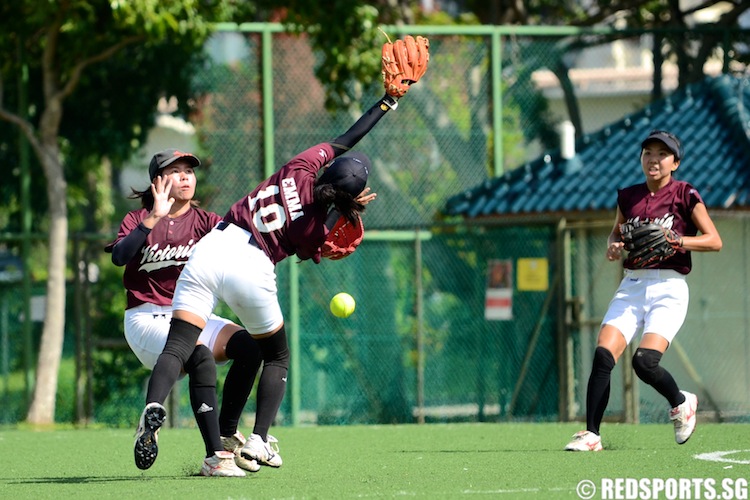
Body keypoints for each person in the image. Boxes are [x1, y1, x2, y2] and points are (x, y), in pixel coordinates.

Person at [133, 85, 399, 473]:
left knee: (178, 344)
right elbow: (317, 246)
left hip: (214, 244)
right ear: (352, 195)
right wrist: (349, 212)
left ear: (327, 168)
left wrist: (386, 103)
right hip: (252, 266)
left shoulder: (301, 167)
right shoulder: (315, 224)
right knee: (276, 354)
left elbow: (346, 138)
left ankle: (154, 406)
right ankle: (259, 439)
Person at [107, 149, 264, 477]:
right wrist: (154, 217)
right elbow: (119, 256)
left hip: (191, 316)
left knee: (251, 347)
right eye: (174, 171)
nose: (184, 177)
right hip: (145, 317)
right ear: (157, 182)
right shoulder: (137, 220)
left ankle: (225, 430)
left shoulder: (207, 222)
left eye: (188, 171)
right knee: (201, 357)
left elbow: (248, 243)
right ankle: (212, 456)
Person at [564, 130, 722, 452]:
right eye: (648, 152)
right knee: (603, 354)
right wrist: (613, 247)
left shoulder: (685, 194)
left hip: (669, 287)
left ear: (674, 162)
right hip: (633, 284)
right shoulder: (629, 197)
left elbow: (714, 240)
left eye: (662, 154)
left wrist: (679, 240)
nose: (653, 159)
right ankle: (592, 434)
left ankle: (681, 403)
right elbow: (615, 235)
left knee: (644, 363)